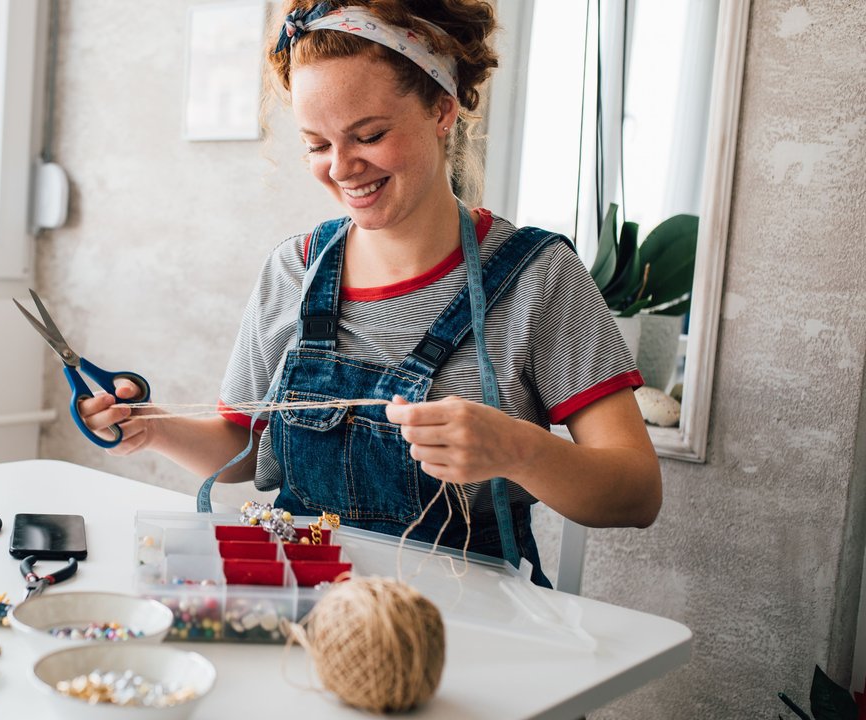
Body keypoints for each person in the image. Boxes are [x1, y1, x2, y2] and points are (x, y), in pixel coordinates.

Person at [80, 0, 661, 588]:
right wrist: (148, 424)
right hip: (304, 608)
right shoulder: (294, 269)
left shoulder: (538, 277)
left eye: (370, 135)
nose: (342, 168)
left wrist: (518, 450)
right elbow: (245, 449)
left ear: (442, 108)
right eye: (316, 145)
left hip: (465, 630)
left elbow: (637, 494)